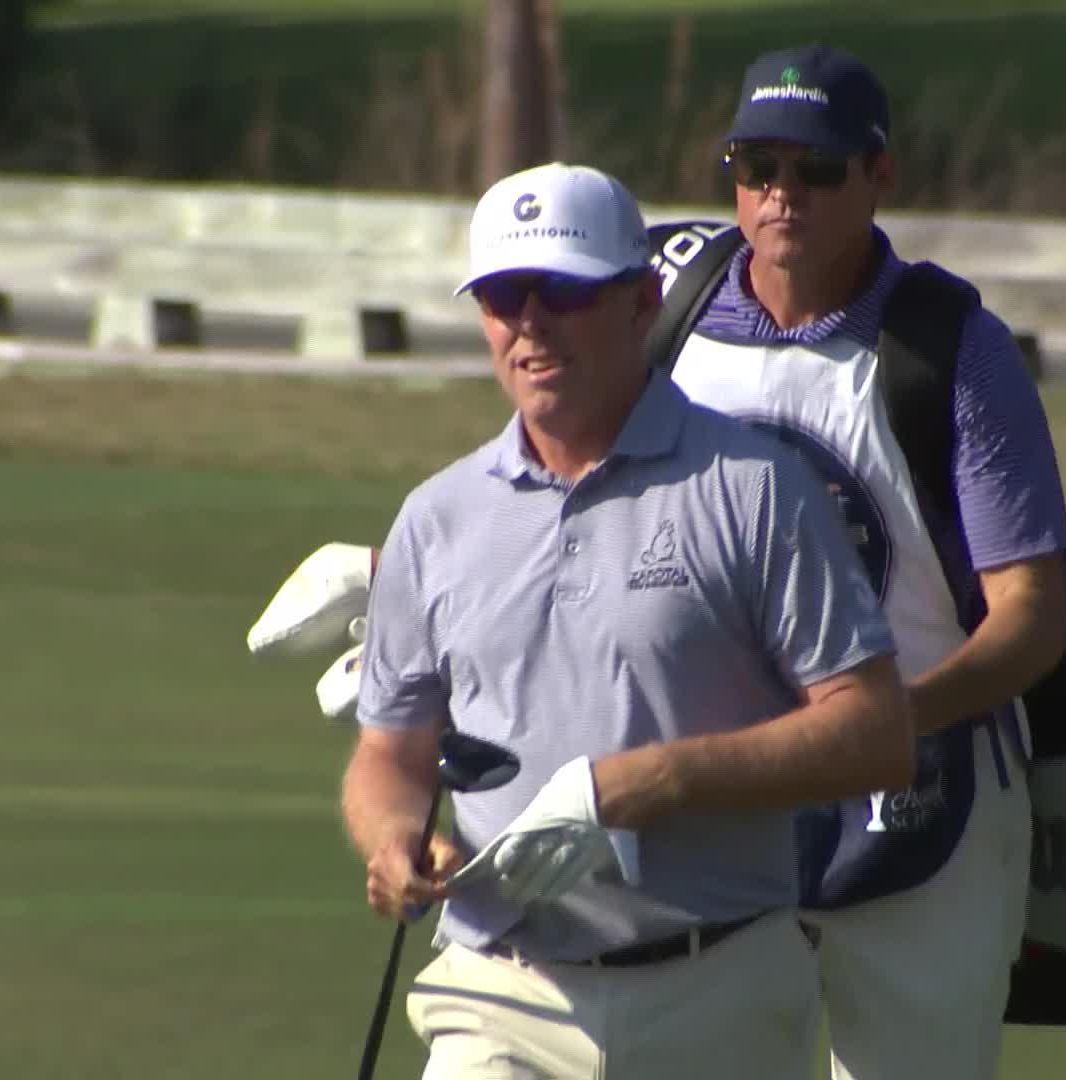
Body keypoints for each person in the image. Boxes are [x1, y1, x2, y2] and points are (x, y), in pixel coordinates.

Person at [340, 161, 916, 1079]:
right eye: (501, 297)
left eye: (562, 292)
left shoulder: (754, 488)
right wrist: (394, 839)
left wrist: (653, 781)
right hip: (503, 988)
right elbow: (390, 754)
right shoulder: (436, 517)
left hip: (718, 985)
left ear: (642, 302)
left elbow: (875, 734)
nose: (528, 323)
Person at [663, 44, 1066, 1080]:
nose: (780, 195)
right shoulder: (663, 316)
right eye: (757, 168)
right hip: (716, 805)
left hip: (926, 803)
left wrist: (884, 722)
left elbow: (1032, 613)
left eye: (817, 169)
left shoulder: (950, 346)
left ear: (880, 176)